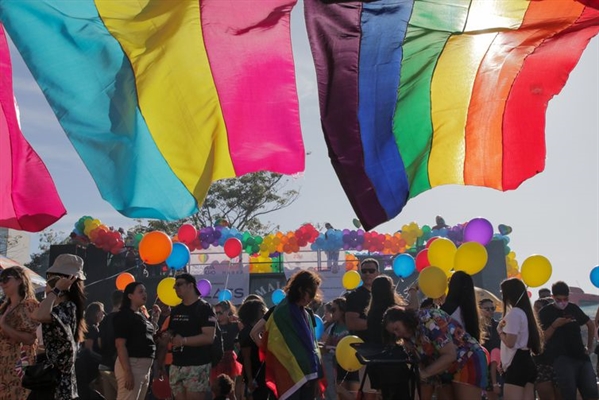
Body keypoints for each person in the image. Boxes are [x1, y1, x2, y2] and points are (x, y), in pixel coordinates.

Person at [383, 306, 487, 400]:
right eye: (394, 333)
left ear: (404, 319)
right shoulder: (409, 337)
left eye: (396, 328)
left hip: (466, 359)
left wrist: (424, 374)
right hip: (443, 371)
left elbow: (450, 355)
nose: (397, 334)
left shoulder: (430, 320)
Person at [30, 253, 87, 400]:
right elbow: (36, 314)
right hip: (48, 377)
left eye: (53, 278)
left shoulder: (68, 307)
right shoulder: (54, 304)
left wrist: (56, 290)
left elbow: (40, 316)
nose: (49, 282)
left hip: (58, 382)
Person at [263, 270, 324, 400]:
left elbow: (310, 345)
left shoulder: (304, 312)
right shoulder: (283, 312)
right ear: (301, 290)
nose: (312, 298)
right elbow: (279, 346)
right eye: (311, 293)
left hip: (306, 373)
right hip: (291, 374)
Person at [157, 273, 216, 400]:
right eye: (174, 285)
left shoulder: (204, 308)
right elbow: (172, 332)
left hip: (197, 364)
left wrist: (184, 341)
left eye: (179, 284)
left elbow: (208, 337)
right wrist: (166, 337)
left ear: (190, 285)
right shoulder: (177, 310)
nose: (175, 288)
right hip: (176, 364)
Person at [539, 281, 598, 400]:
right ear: (553, 297)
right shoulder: (545, 312)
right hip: (561, 357)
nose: (563, 303)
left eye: (565, 299)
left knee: (591, 390)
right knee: (569, 392)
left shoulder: (573, 308)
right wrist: (554, 325)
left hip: (581, 355)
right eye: (559, 300)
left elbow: (590, 324)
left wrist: (589, 346)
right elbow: (543, 338)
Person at [497, 278, 542, 400]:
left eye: (502, 292)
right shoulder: (525, 312)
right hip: (526, 360)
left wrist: (500, 332)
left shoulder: (514, 314)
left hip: (516, 363)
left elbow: (510, 342)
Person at [0, 266, 40, 400]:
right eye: (0, 280)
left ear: (19, 280)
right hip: (3, 369)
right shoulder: (4, 307)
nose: (2, 283)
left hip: (19, 368)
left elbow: (30, 339)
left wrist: (4, 326)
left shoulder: (29, 305)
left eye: (6, 279)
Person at [345, 258, 380, 400]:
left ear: (378, 272)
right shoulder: (355, 296)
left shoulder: (387, 294)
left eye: (371, 270)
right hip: (365, 350)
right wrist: (380, 323)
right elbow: (352, 323)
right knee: (369, 392)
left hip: (387, 350)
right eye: (364, 271)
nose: (367, 274)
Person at [114, 282, 156, 400]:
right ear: (130, 296)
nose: (145, 294)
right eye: (140, 291)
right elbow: (120, 345)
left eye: (145, 291)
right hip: (132, 365)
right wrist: (127, 372)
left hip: (144, 367)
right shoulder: (124, 315)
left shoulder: (140, 315)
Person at [321, 297, 359, 399]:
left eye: (334, 310)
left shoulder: (350, 326)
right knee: (340, 395)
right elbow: (325, 347)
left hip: (351, 364)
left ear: (342, 311)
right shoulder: (333, 327)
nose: (332, 313)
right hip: (337, 365)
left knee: (352, 395)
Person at [237, 299, 273, 400]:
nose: (264, 312)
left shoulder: (261, 328)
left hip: (264, 370)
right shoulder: (246, 332)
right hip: (255, 372)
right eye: (261, 310)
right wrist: (250, 379)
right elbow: (246, 357)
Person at [211, 300, 242, 399]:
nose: (218, 315)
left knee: (230, 391)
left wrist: (236, 318)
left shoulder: (234, 325)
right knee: (214, 390)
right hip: (216, 358)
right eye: (216, 313)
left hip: (228, 359)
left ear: (227, 311)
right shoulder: (214, 325)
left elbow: (246, 327)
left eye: (220, 312)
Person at [98, 290, 124, 400]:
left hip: (104, 365)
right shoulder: (124, 319)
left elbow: (99, 343)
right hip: (119, 367)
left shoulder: (104, 320)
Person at [77, 301, 105, 399]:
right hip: (90, 365)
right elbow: (89, 349)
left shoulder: (84, 325)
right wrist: (102, 359)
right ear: (97, 313)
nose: (103, 314)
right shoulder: (92, 328)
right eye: (102, 311)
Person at [533, 297, 559, 400]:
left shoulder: (557, 323)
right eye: (535, 308)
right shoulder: (533, 325)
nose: (536, 311)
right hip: (540, 363)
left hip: (557, 362)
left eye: (539, 308)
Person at [479, 299, 501, 400]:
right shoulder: (477, 326)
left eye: (492, 308)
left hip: (496, 365)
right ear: (480, 310)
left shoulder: (498, 326)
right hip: (481, 364)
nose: (491, 311)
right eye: (487, 309)